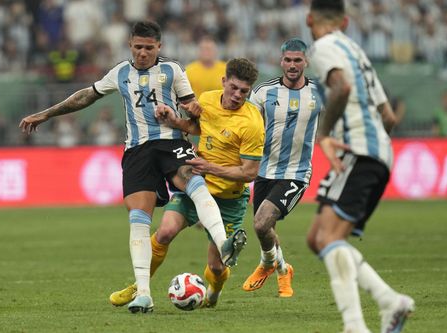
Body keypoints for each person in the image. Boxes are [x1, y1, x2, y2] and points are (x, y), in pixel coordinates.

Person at [19, 20, 246, 314]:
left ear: (159, 47)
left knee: (194, 180)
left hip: (170, 142)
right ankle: (143, 294)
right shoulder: (120, 73)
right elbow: (85, 96)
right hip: (137, 151)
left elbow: (193, 113)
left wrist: (190, 111)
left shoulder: (173, 71)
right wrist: (46, 114)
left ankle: (224, 243)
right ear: (130, 45)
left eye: (149, 48)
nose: (142, 53)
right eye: (138, 47)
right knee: (138, 218)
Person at [109, 57, 264, 308]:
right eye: (233, 88)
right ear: (224, 81)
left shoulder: (252, 122)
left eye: (244, 92)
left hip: (229, 198)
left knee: (215, 265)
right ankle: (140, 286)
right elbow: (195, 128)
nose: (237, 95)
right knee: (165, 232)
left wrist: (210, 167)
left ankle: (214, 291)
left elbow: (249, 173)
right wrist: (172, 120)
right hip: (195, 185)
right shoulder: (208, 100)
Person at [305, 1, 415, 333]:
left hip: (358, 152)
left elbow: (341, 87)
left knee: (328, 237)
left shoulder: (323, 47)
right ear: (347, 22)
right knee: (317, 239)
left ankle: (355, 326)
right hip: (375, 152)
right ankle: (389, 300)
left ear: (310, 19)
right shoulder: (357, 52)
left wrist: (325, 134)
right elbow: (389, 117)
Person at [241, 38, 323, 298]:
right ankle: (283, 270)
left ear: (306, 62)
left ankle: (266, 264)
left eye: (297, 60)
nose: (292, 65)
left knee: (262, 222)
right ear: (281, 61)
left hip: (296, 173)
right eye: (287, 60)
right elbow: (246, 125)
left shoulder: (320, 93)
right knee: (264, 227)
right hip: (264, 171)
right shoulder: (263, 92)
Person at [185, 35, 227, 100]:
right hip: (197, 108)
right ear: (198, 51)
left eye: (209, 49)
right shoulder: (189, 71)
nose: (207, 52)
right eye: (204, 49)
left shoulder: (226, 69)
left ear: (216, 51)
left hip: (220, 108)